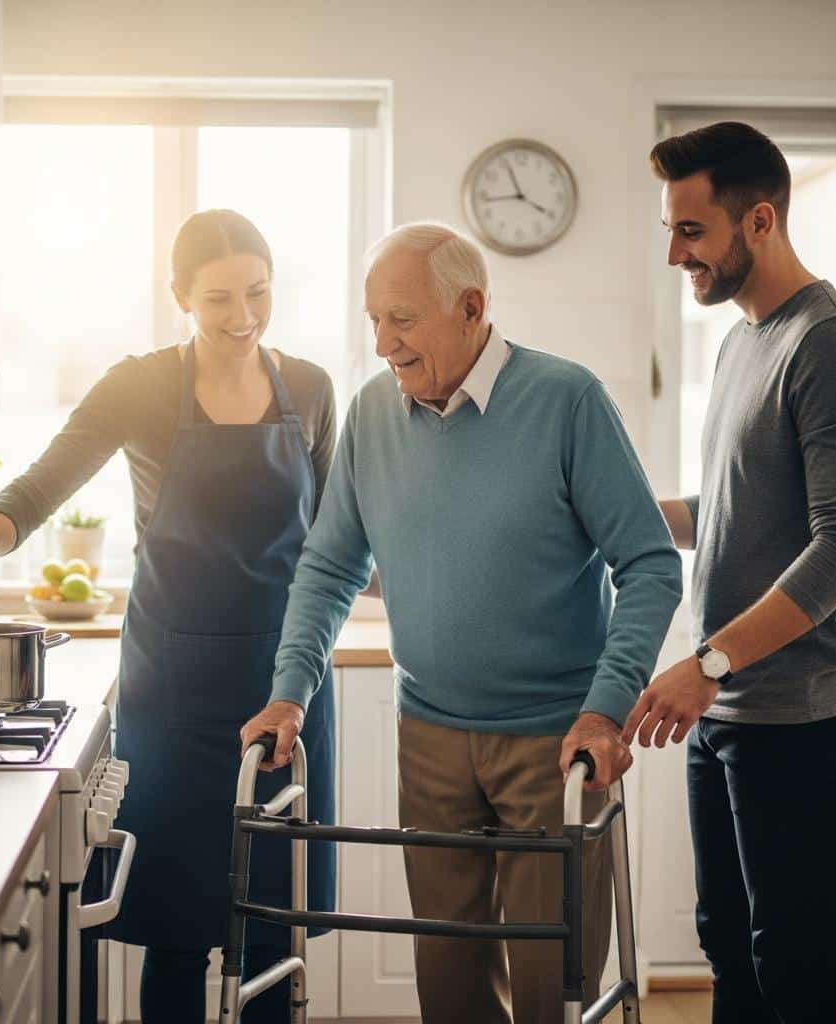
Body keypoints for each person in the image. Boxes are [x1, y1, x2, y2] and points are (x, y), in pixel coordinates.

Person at [241, 222, 682, 1023]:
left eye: (401, 319)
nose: (382, 344)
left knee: (554, 985)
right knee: (447, 984)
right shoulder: (375, 412)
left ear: (472, 307)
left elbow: (650, 563)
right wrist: (289, 693)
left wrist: (606, 707)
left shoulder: (567, 400)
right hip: (431, 735)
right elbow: (330, 566)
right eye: (372, 319)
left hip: (558, 741)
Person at [0, 209, 338, 1024]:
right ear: (180, 295)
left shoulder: (313, 388)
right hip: (173, 689)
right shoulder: (142, 384)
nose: (242, 316)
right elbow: (46, 481)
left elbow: (335, 539)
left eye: (257, 293)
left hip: (286, 684)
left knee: (271, 928)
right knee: (176, 925)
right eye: (219, 298)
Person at [622, 122, 836, 1023]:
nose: (674, 253)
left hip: (800, 712)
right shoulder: (746, 340)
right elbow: (740, 514)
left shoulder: (831, 343)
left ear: (761, 221)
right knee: (728, 946)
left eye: (691, 232)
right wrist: (619, 518)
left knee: (798, 963)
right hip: (730, 705)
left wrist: (706, 667)